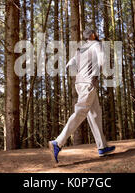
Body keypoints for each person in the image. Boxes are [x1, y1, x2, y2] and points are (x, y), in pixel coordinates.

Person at [48, 27, 115, 163]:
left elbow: (70, 64)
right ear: (92, 35)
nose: (97, 34)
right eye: (95, 33)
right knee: (80, 112)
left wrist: (81, 72)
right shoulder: (97, 44)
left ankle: (102, 147)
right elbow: (102, 61)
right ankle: (58, 142)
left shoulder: (81, 49)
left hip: (80, 83)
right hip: (88, 84)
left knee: (95, 114)